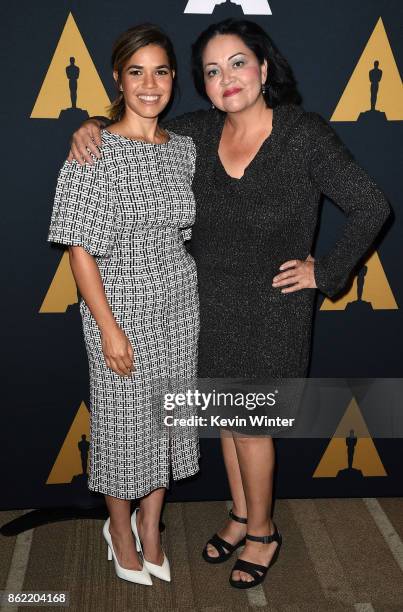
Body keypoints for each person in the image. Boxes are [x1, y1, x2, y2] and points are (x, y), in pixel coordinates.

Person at [67, 18, 390, 589]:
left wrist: (326, 271)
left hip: (273, 308)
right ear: (205, 86)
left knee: (253, 426)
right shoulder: (196, 132)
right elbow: (136, 123)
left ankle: (264, 532)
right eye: (212, 71)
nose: (227, 78)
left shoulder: (303, 135)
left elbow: (371, 204)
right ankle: (240, 517)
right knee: (225, 419)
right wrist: (90, 124)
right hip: (204, 304)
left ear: (264, 69)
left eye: (238, 63)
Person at [48, 24, 200, 586]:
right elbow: (78, 249)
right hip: (118, 306)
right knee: (120, 427)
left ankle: (152, 527)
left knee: (165, 423)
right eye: (136, 72)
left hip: (179, 303)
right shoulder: (94, 149)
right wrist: (109, 328)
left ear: (173, 80)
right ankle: (118, 530)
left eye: (161, 71)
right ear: (118, 78)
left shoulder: (184, 149)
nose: (150, 84)